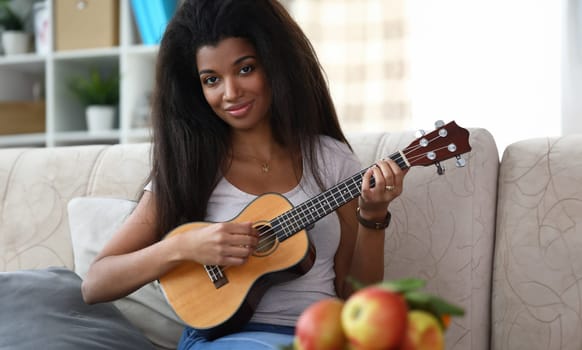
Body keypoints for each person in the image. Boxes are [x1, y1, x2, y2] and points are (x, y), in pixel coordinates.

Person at [81, 0, 406, 349]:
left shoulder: (330, 159)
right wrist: (183, 246)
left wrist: (373, 217)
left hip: (316, 338)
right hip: (226, 340)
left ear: (274, 64)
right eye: (211, 80)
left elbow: (358, 298)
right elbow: (96, 284)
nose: (230, 93)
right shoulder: (192, 166)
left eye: (245, 69)